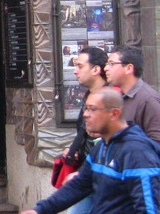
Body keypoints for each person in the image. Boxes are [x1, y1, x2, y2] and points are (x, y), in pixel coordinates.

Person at [21, 87, 160, 214]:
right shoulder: (102, 147)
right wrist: (40, 210)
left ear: (114, 113)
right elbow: (79, 185)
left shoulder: (137, 152)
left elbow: (147, 207)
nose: (86, 114)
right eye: (86, 108)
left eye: (92, 109)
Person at [104, 45, 160, 175]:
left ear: (129, 68)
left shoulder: (149, 100)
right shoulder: (120, 97)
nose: (106, 68)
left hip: (145, 180)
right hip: (121, 177)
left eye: (111, 64)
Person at [58, 47, 108, 214]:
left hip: (103, 175)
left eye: (80, 66)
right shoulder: (89, 95)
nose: (75, 71)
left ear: (96, 69)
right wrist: (75, 149)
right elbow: (84, 131)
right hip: (87, 172)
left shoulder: (111, 98)